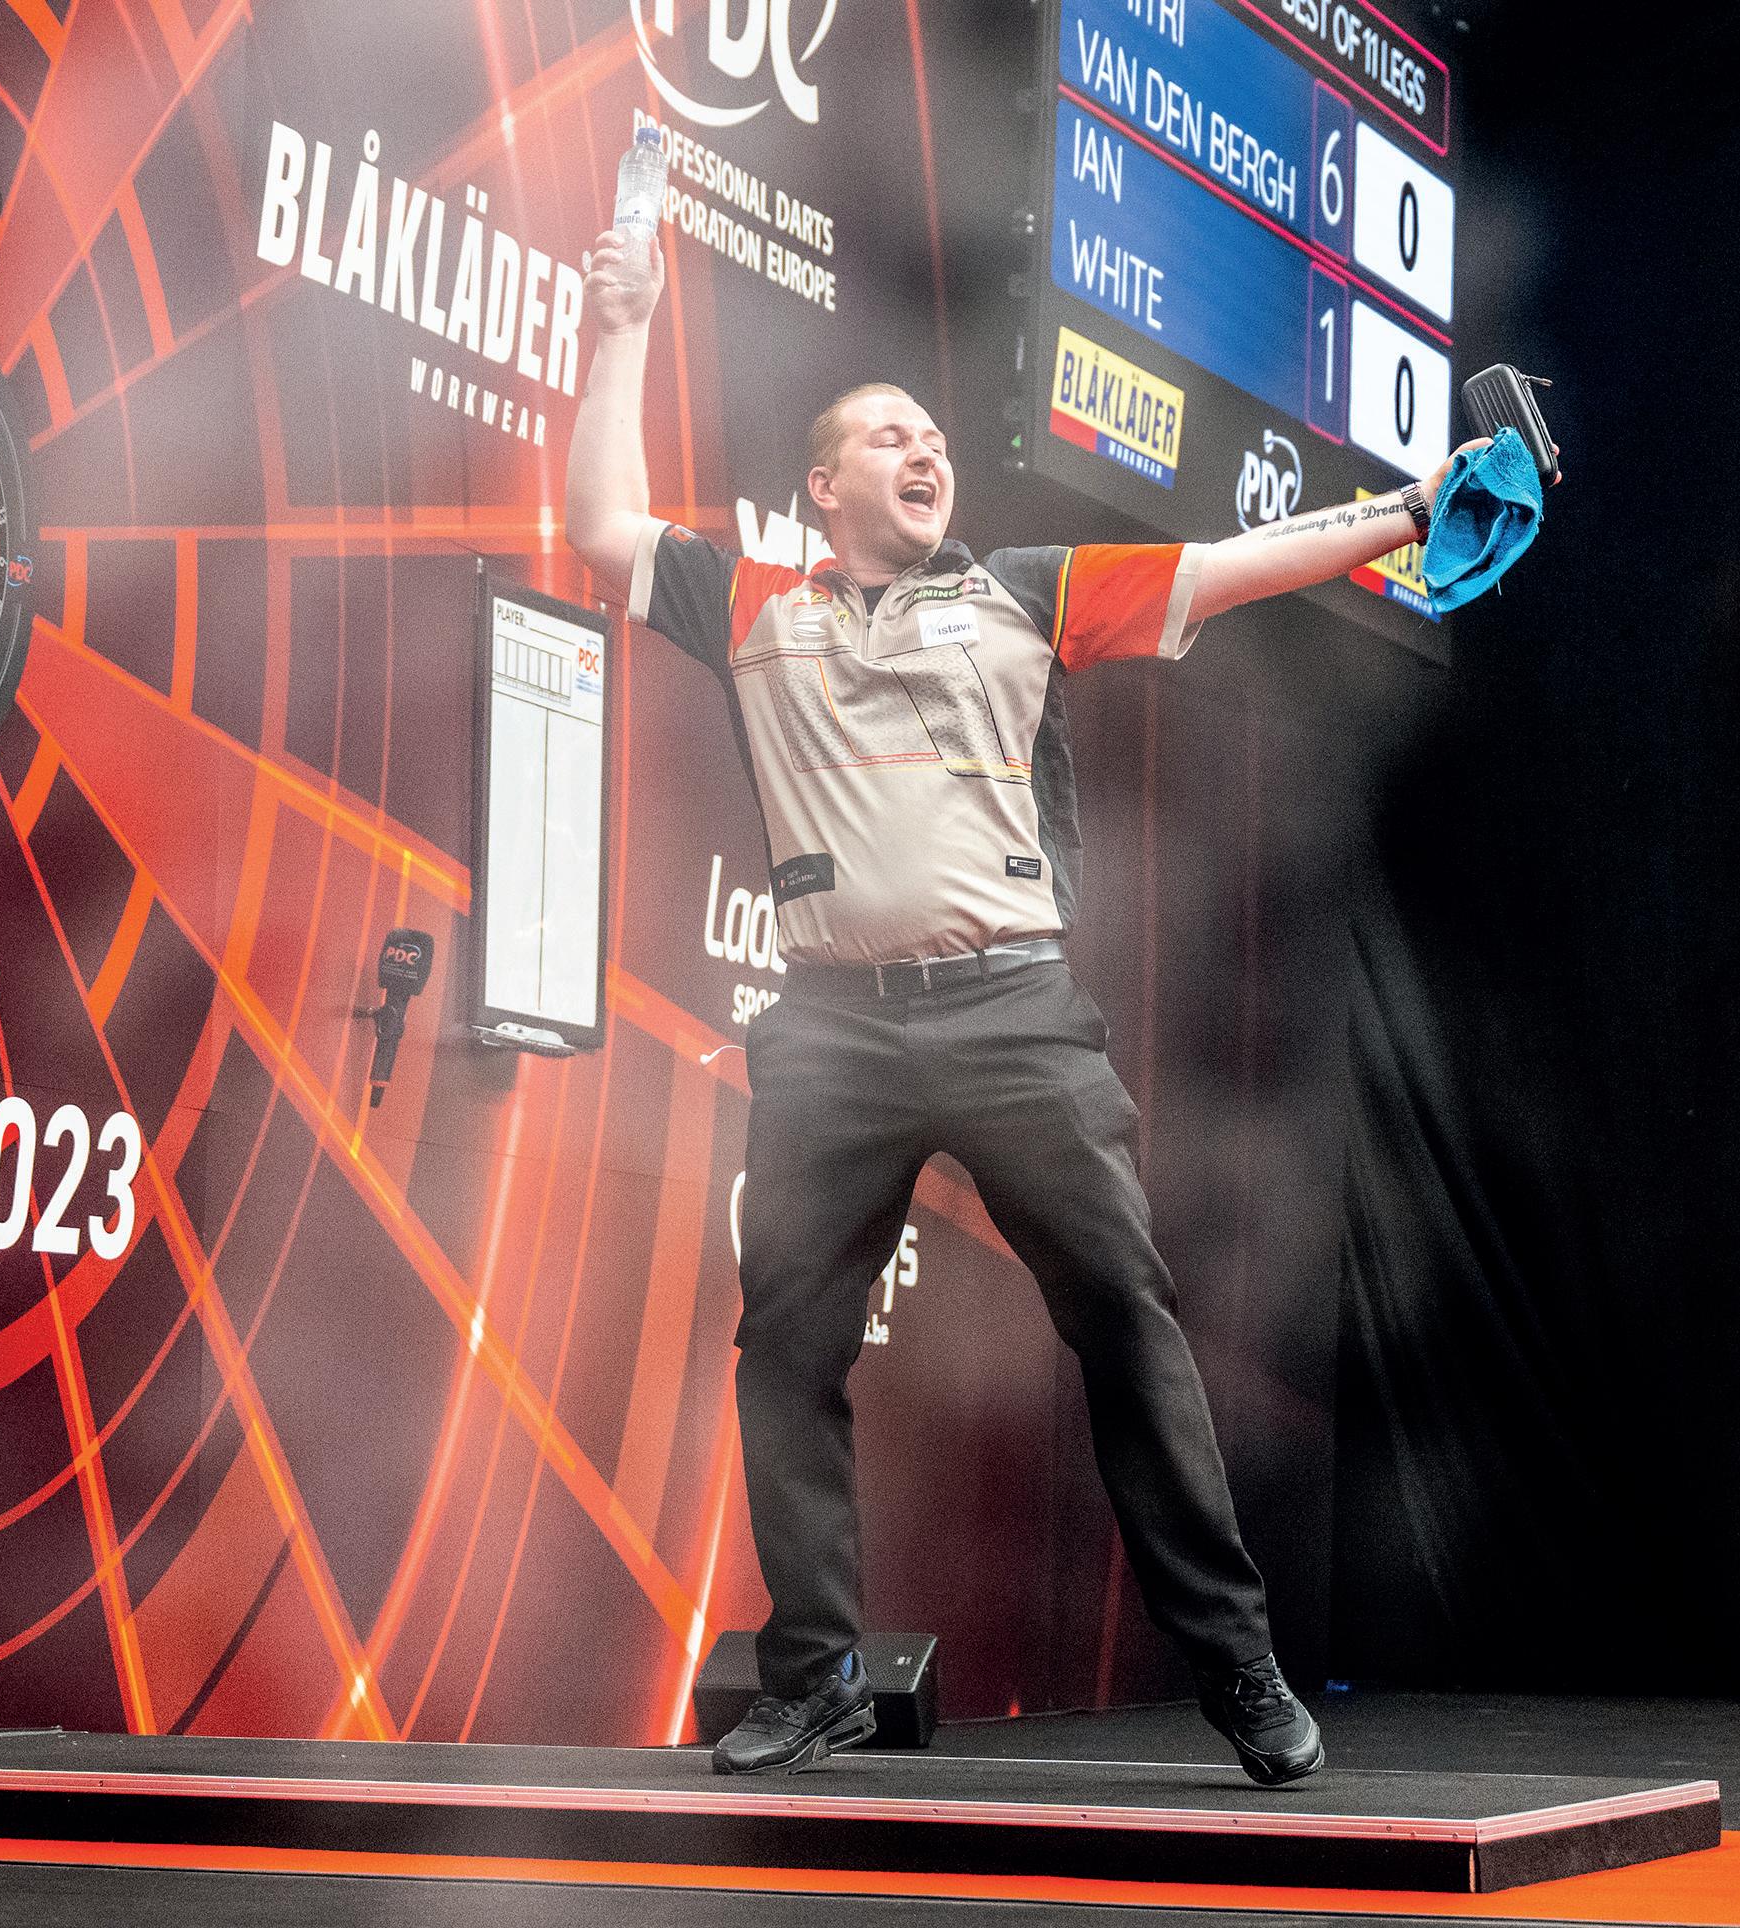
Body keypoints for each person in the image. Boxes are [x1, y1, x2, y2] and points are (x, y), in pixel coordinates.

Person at [563, 227, 1483, 1784]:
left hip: (1011, 1015)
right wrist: (623, 324)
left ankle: (1239, 1666)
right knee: (784, 1346)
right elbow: (597, 523)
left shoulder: (1022, 592)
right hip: (831, 1031)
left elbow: (1230, 564)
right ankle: (814, 1677)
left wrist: (1404, 510)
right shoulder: (751, 603)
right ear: (822, 487)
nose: (922, 451)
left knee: (1123, 1317)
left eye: (933, 437)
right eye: (886, 436)